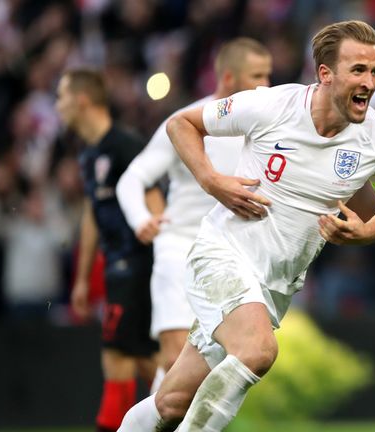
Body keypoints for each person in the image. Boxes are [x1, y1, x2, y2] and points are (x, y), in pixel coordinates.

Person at [119, 20, 375, 431]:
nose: (370, 82)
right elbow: (181, 125)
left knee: (171, 403)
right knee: (258, 350)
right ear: (326, 74)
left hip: (273, 288)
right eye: (358, 70)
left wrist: (366, 231)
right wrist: (212, 180)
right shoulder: (271, 106)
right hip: (221, 255)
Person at [116, 38, 272, 392]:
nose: (266, 85)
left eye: (269, 75)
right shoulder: (187, 122)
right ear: (229, 78)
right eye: (257, 75)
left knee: (200, 369)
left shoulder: (266, 127)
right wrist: (142, 218)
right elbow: (133, 178)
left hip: (229, 258)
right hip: (180, 247)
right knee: (174, 358)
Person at [55, 69, 160, 432]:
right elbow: (92, 217)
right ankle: (187, 414)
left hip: (140, 264)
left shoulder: (124, 145)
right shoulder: (89, 155)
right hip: (116, 267)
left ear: (82, 100)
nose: (58, 105)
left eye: (62, 96)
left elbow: (154, 200)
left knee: (120, 351)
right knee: (142, 356)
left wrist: (162, 263)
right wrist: (82, 278)